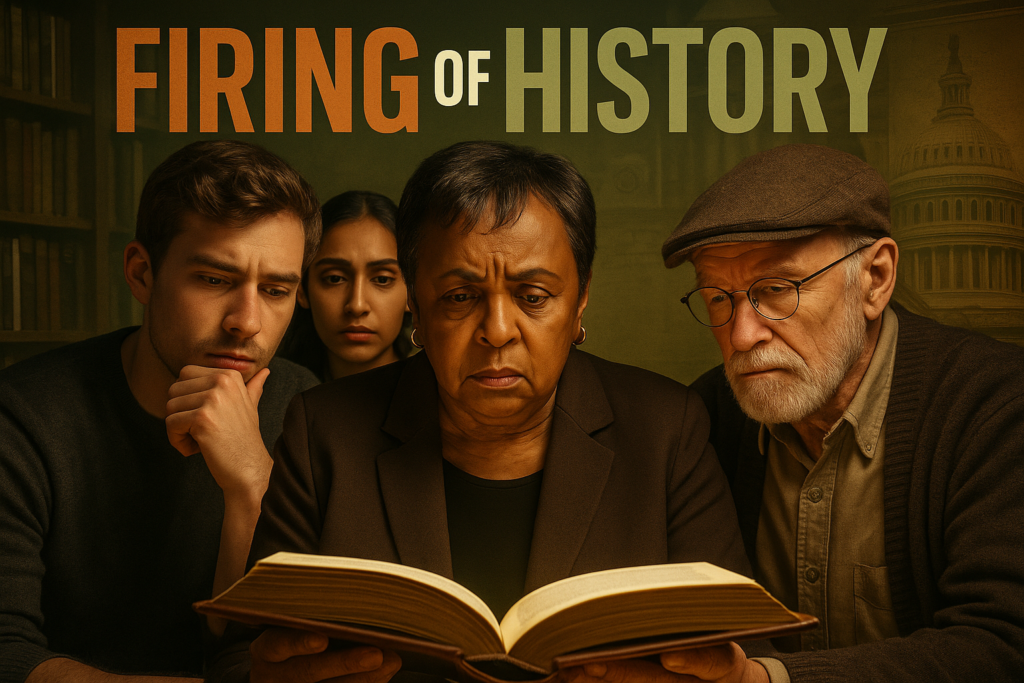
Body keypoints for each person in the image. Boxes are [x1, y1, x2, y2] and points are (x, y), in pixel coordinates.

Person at [207, 140, 749, 683]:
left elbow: (742, 655)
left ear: (581, 297)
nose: (497, 330)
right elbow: (239, 656)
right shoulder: (323, 430)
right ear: (416, 303)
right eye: (460, 297)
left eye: (533, 297)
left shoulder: (666, 429)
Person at [628, 143, 1024, 683]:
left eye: (777, 289)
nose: (742, 335)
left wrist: (764, 680)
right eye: (719, 299)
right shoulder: (702, 423)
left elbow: (1004, 647)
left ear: (875, 279)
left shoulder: (995, 406)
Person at [0, 140, 321, 682]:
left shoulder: (301, 403)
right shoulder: (24, 416)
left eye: (275, 290)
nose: (246, 321)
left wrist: (251, 485)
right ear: (142, 274)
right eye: (215, 280)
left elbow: (265, 645)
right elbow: (8, 657)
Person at [278, 191, 412, 381]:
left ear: (412, 293)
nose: (357, 306)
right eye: (334, 279)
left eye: (382, 279)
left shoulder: (444, 398)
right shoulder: (272, 399)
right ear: (301, 290)